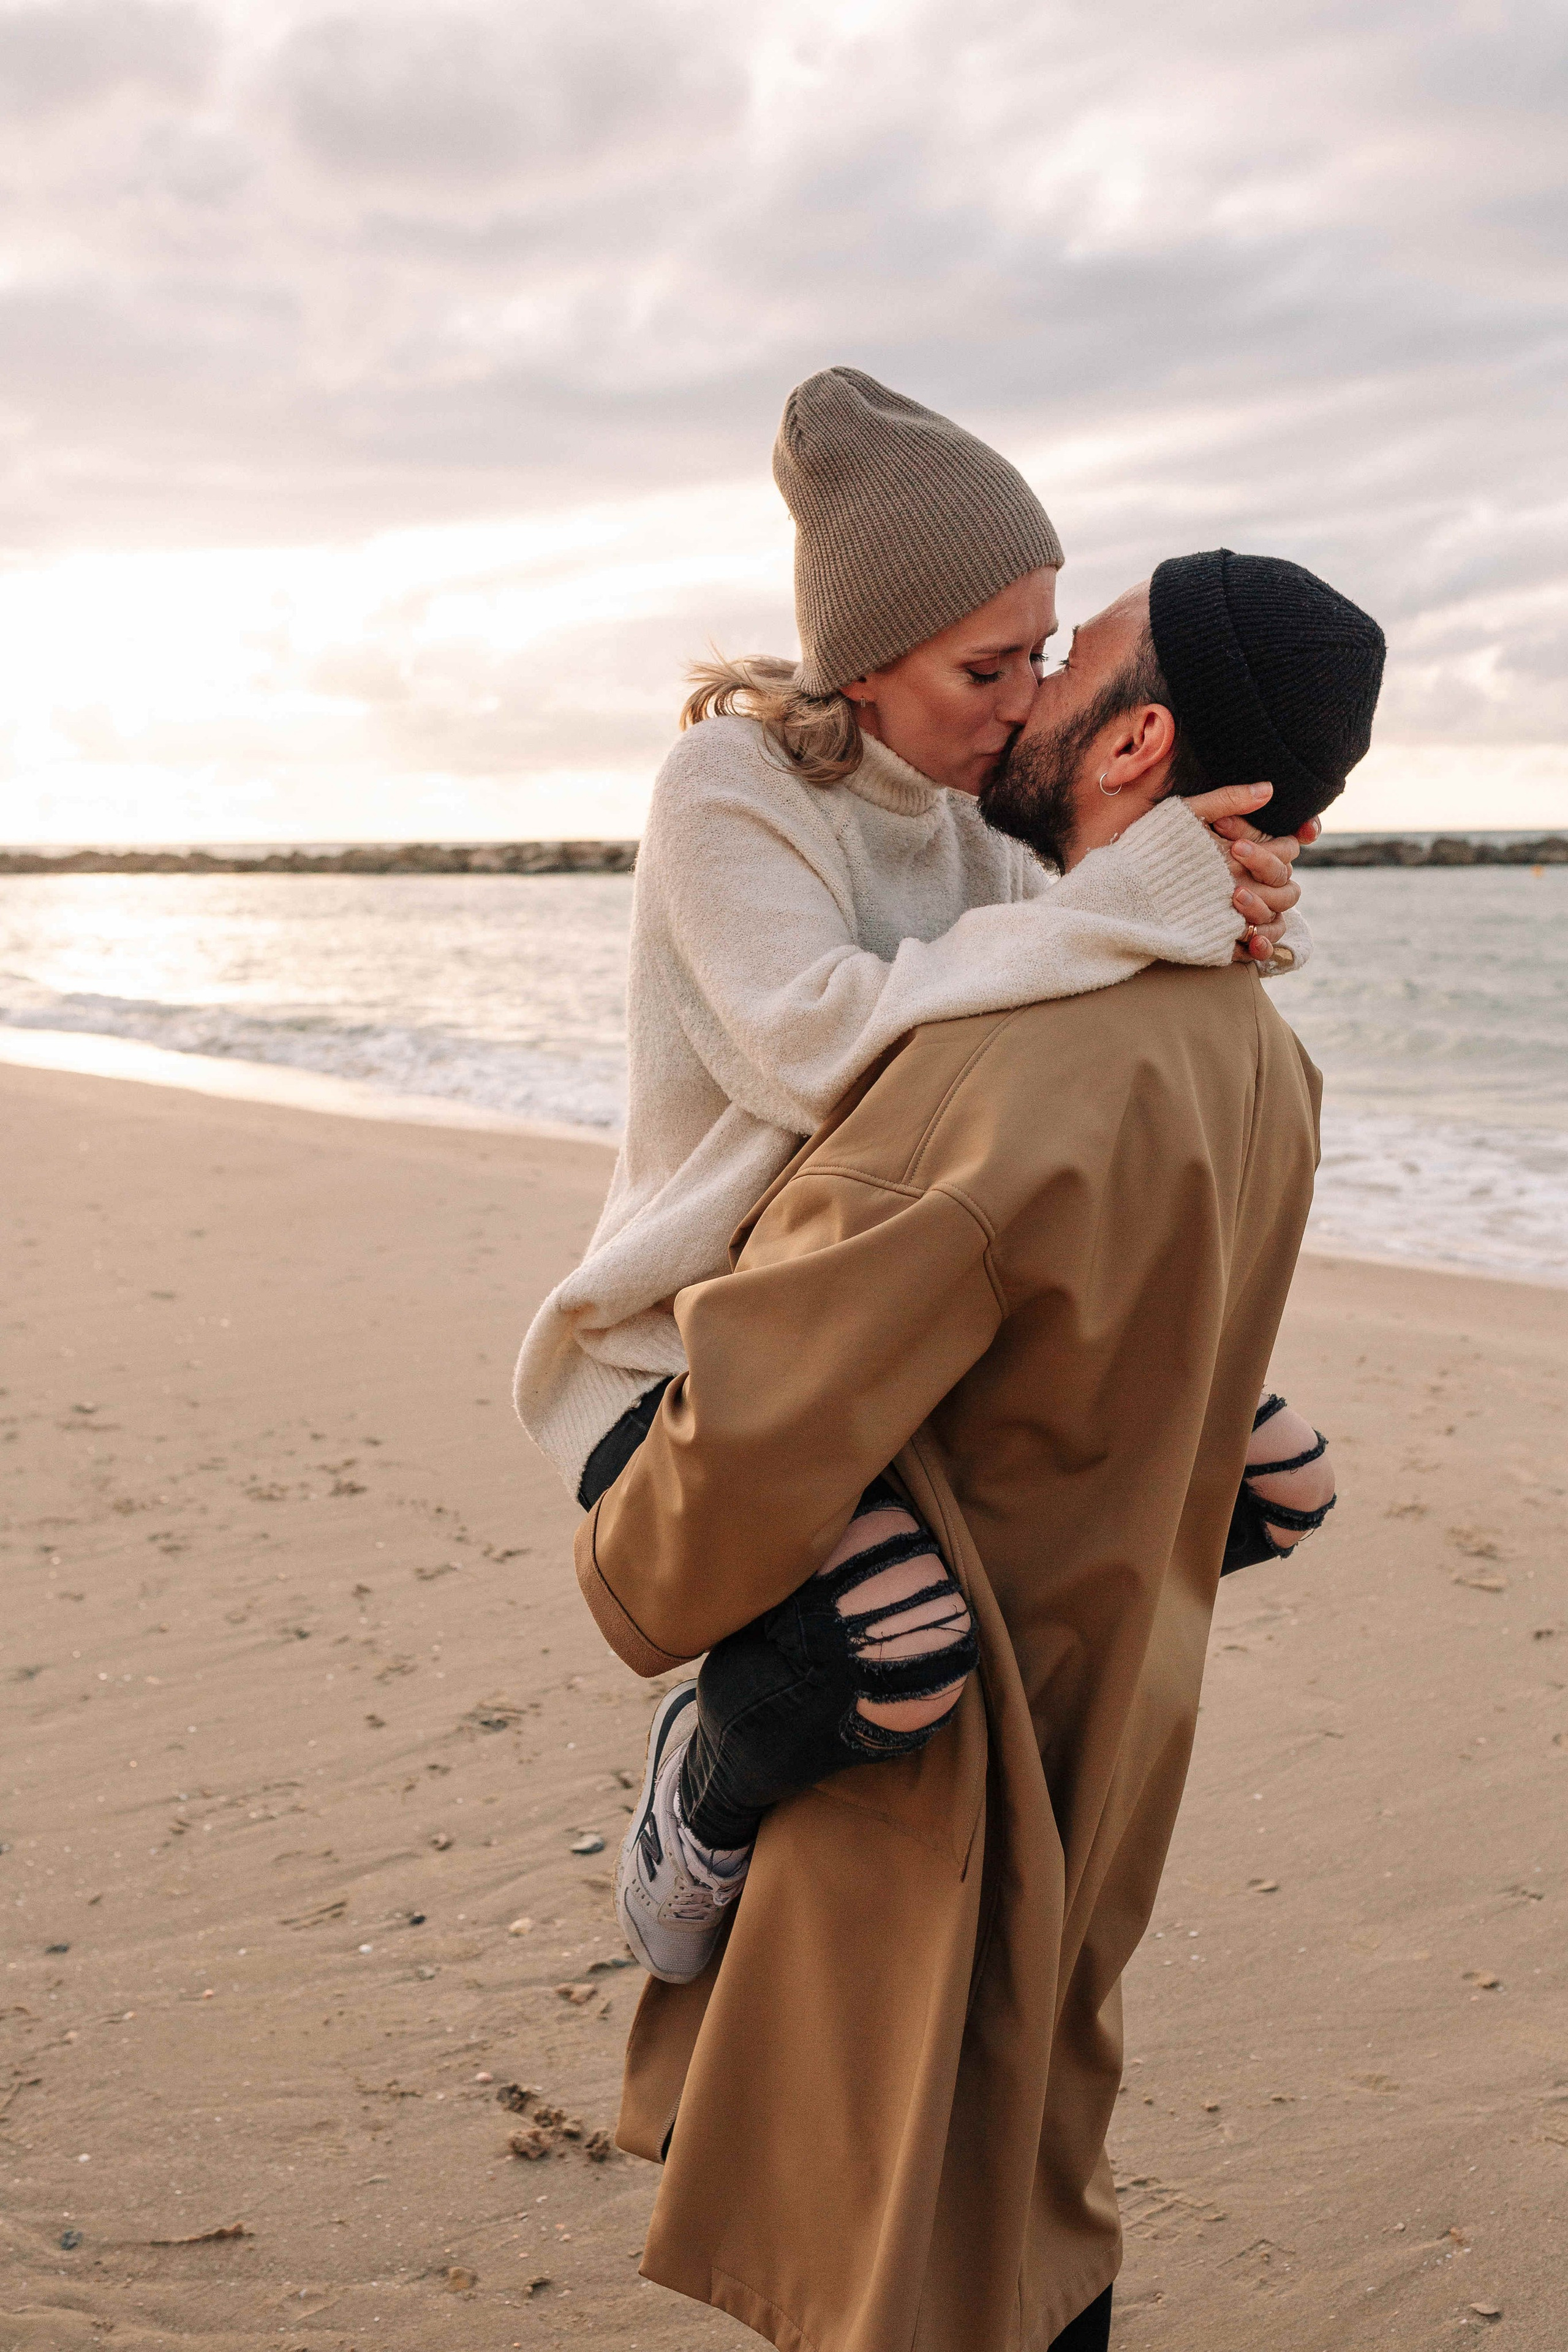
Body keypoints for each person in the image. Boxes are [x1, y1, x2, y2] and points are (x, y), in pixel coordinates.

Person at [571, 549, 1383, 2352]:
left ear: (1136, 737)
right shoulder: (1268, 1058)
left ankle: (698, 1791)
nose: (1025, 695)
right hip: (1116, 1741)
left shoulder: (1002, 1066)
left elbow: (745, 1443)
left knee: (901, 2238)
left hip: (939, 1783)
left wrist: (631, 1551)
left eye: (1068, 660)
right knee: (1028, 2198)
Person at [513, 371, 1329, 1940]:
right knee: (893, 1640)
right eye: (986, 664)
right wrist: (1114, 907)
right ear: (864, 662)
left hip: (903, 1326)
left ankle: (1004, 1737)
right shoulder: (730, 788)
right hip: (696, 1350)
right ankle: (708, 1780)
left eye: (1039, 652)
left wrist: (1230, 917)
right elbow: (821, 1039)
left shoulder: (975, 819)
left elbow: (1050, 1037)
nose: (1026, 699)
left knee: (1273, 1480)